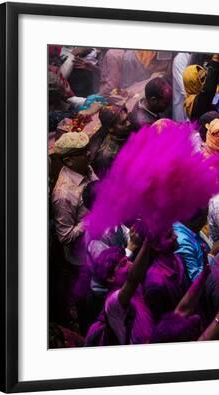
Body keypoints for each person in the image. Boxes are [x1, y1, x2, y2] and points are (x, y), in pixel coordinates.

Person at [85, 239, 154, 346]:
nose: (131, 264)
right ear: (110, 277)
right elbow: (133, 279)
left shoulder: (137, 287)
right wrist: (147, 243)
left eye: (127, 260)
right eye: (123, 264)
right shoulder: (113, 301)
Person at [52, 132, 99, 266]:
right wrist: (91, 218)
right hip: (84, 256)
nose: (89, 153)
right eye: (83, 153)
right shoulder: (64, 195)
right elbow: (65, 236)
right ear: (68, 161)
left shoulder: (85, 167)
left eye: (87, 149)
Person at [142, 227, 186, 322]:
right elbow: (162, 323)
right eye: (169, 236)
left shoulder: (179, 259)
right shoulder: (155, 284)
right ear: (156, 246)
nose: (176, 236)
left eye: (173, 232)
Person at [183, 54, 219, 120]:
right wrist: (215, 59)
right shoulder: (192, 104)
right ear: (193, 83)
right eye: (202, 79)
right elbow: (208, 91)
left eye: (206, 76)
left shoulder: (211, 92)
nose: (206, 81)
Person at [173, 208, 210, 284]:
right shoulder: (182, 242)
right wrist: (212, 256)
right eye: (205, 217)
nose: (206, 222)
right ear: (196, 219)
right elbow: (195, 280)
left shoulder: (192, 229)